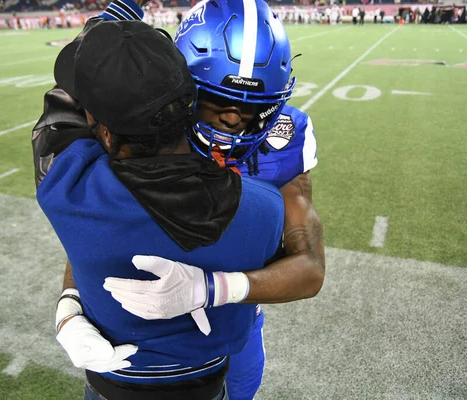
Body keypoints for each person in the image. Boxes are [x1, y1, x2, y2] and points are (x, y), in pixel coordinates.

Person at [35, 0, 325, 398]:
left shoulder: (287, 135)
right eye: (216, 102)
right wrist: (71, 299)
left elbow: (310, 267)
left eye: (252, 109)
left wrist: (218, 288)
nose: (232, 120)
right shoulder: (149, 123)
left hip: (231, 329)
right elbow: (100, 224)